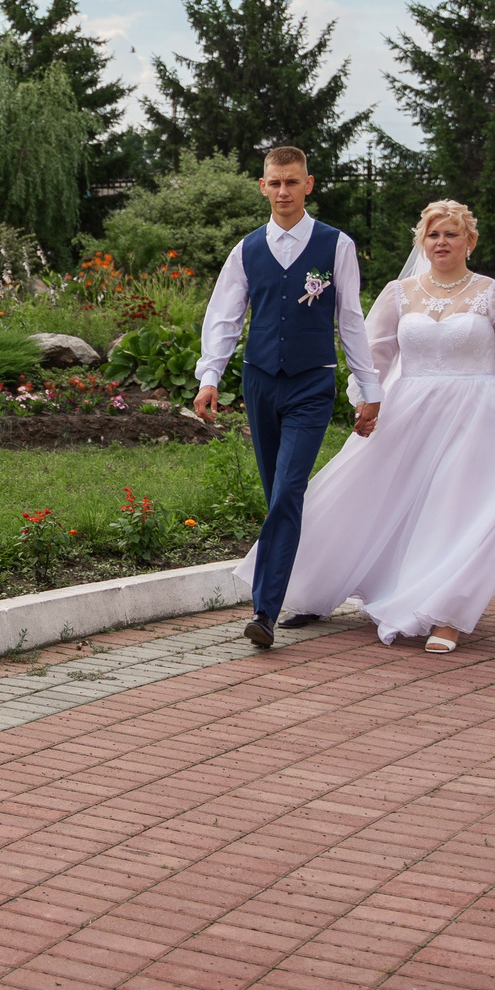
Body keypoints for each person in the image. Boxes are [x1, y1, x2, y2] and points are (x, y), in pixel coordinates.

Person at [266, 200, 495, 653]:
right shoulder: (400, 292)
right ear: (421, 241)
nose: (441, 242)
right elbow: (374, 355)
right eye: (433, 235)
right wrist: (365, 401)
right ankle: (314, 590)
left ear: (470, 240)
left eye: (451, 234)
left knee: (454, 509)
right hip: (408, 410)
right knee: (365, 498)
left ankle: (444, 614)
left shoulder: (492, 291)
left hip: (475, 415)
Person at [193, 145, 383, 650]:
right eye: (275, 183)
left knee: (287, 492)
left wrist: (370, 388)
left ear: (308, 184)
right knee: (277, 496)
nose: (283, 191)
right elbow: (225, 317)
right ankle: (307, 585)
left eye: (292, 182)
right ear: (262, 186)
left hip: (311, 384)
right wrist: (209, 376)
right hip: (260, 382)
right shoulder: (247, 249)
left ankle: (265, 611)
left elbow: (352, 321)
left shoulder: (335, 245)